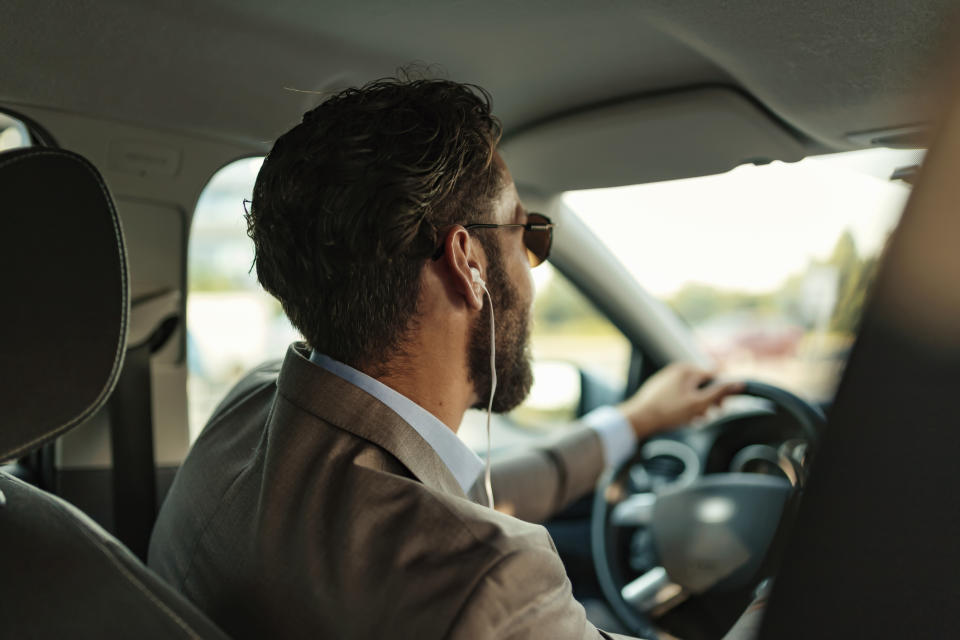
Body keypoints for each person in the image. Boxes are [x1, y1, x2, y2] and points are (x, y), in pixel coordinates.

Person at [148, 76, 746, 639]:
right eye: (525, 235)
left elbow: (464, 496)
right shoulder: (491, 578)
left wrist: (635, 422)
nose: (533, 275)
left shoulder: (253, 407)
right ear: (468, 262)